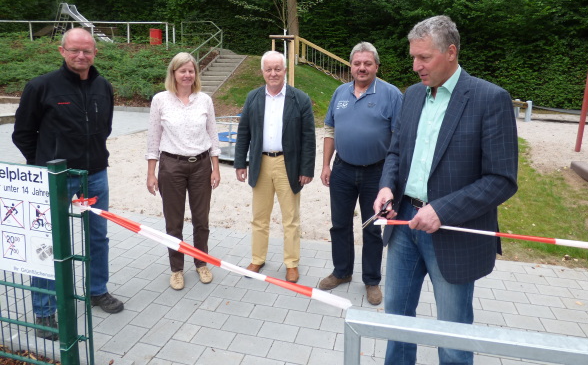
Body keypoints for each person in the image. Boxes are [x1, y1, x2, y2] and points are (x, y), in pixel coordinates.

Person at [373, 15, 519, 365]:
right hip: (404, 222)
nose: (415, 66)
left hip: (453, 230)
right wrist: (386, 187)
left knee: (453, 334)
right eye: (413, 57)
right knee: (397, 320)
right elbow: (396, 151)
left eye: (424, 58)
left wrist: (442, 210)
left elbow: (502, 179)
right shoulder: (411, 97)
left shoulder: (489, 99)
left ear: (451, 52)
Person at [12, 27, 124, 341]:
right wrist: (45, 165)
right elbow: (22, 134)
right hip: (55, 179)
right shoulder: (41, 86)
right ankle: (45, 310)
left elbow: (106, 126)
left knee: (97, 236)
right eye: (74, 50)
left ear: (95, 53)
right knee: (47, 244)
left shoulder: (104, 86)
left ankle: (97, 291)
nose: (81, 56)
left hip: (95, 176)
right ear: (62, 51)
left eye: (87, 50)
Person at [319, 42, 402, 305]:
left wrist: (393, 176)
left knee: (373, 228)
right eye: (357, 63)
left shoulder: (391, 95)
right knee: (340, 225)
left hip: (376, 173)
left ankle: (371, 280)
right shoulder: (340, 93)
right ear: (351, 66)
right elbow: (330, 131)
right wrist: (325, 164)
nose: (362, 68)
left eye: (367, 63)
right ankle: (342, 272)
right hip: (342, 169)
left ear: (376, 66)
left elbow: (400, 139)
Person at [234, 50, 315, 283]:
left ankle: (291, 263)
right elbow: (244, 133)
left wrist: (306, 169)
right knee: (259, 217)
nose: (273, 73)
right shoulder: (253, 97)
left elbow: (308, 137)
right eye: (268, 69)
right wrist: (241, 162)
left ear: (285, 70)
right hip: (260, 162)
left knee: (291, 218)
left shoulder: (300, 99)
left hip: (287, 164)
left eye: (277, 68)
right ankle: (257, 258)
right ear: (262, 72)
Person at [146, 52, 221, 291]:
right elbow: (153, 139)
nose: (187, 75)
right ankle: (176, 269)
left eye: (191, 71)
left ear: (195, 74)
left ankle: (202, 262)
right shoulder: (160, 100)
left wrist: (215, 167)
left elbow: (213, 135)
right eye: (182, 71)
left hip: (200, 166)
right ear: (174, 74)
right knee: (174, 221)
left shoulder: (204, 100)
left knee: (201, 219)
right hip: (171, 166)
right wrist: (151, 172)